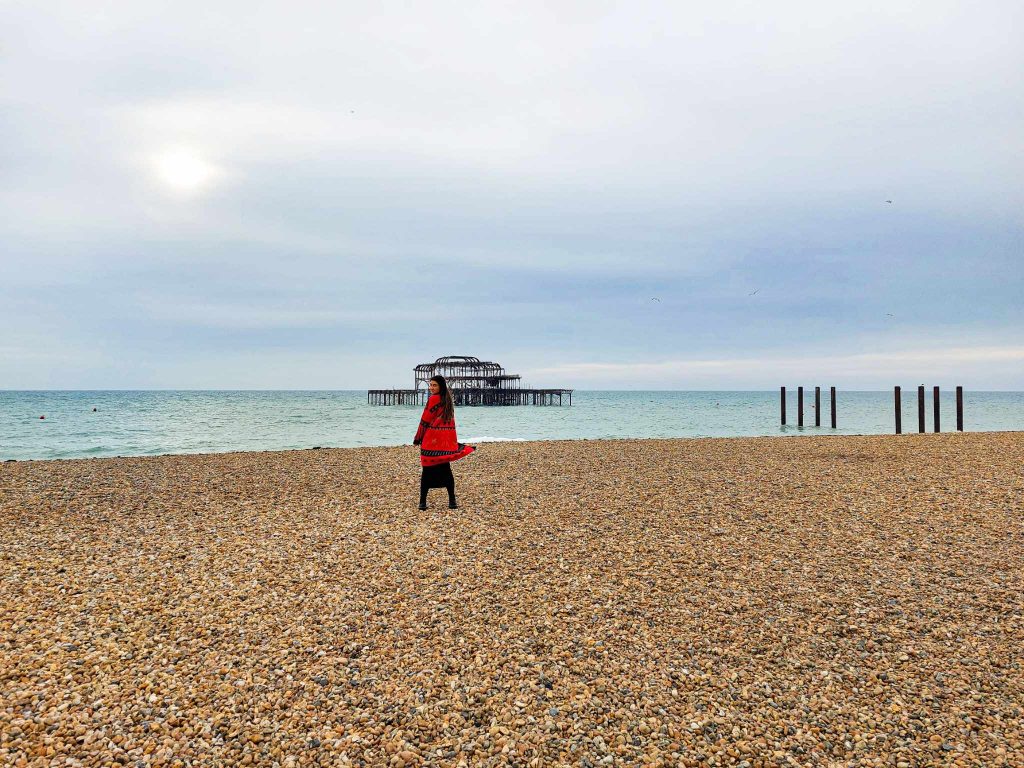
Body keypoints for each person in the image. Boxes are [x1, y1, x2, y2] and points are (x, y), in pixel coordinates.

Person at [413, 375, 476, 510]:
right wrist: (451, 441)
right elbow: (451, 423)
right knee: (446, 470)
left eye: (434, 385)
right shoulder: (448, 400)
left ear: (441, 386)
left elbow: (425, 420)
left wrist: (418, 437)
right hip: (444, 442)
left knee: (427, 470)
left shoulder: (433, 399)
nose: (431, 388)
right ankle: (452, 501)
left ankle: (422, 503)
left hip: (431, 440)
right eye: (430, 385)